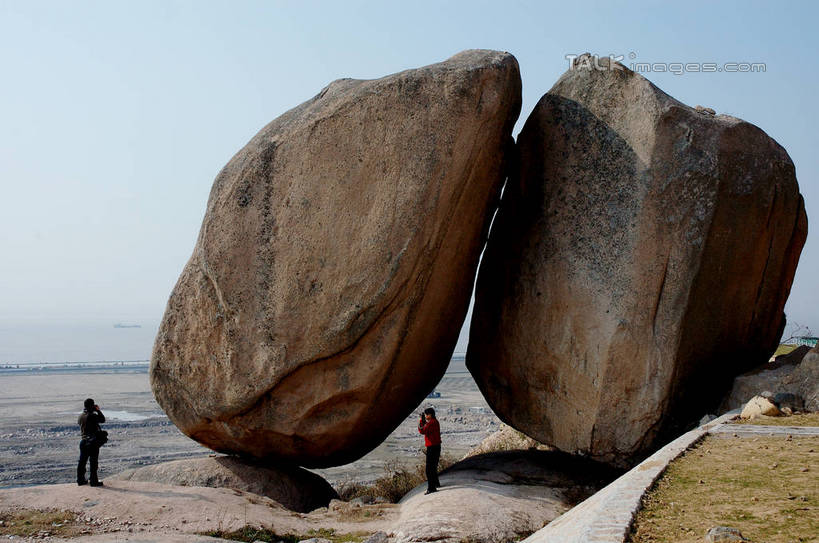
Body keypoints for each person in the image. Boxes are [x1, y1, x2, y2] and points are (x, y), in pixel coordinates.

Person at [77, 398, 105, 487]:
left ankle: (80, 480)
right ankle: (93, 481)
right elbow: (102, 419)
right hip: (92, 443)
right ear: (91, 405)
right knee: (93, 463)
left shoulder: (81, 416)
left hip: (83, 441)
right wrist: (98, 410)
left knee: (82, 462)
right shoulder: (91, 416)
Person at [418, 407, 441, 494]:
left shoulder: (431, 423)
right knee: (433, 467)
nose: (425, 416)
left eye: (426, 414)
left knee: (429, 469)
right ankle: (436, 483)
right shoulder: (435, 422)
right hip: (436, 446)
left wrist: (421, 421)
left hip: (432, 447)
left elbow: (422, 430)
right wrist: (424, 421)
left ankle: (431, 488)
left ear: (430, 415)